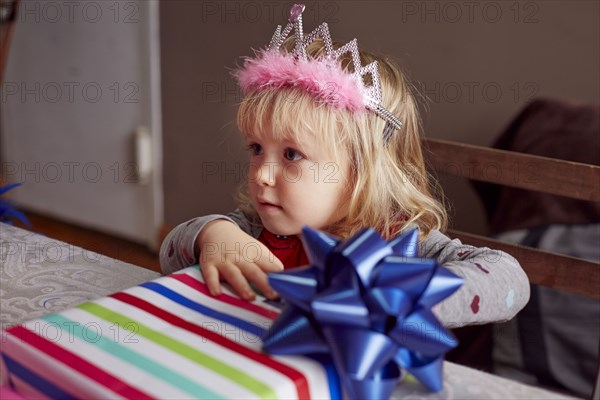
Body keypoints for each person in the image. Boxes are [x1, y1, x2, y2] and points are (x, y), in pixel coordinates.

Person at [160, 4, 529, 328]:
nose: (260, 173)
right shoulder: (259, 230)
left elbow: (511, 281)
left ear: (362, 172)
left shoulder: (398, 244)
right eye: (256, 148)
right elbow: (171, 252)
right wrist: (212, 235)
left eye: (291, 155)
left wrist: (407, 297)